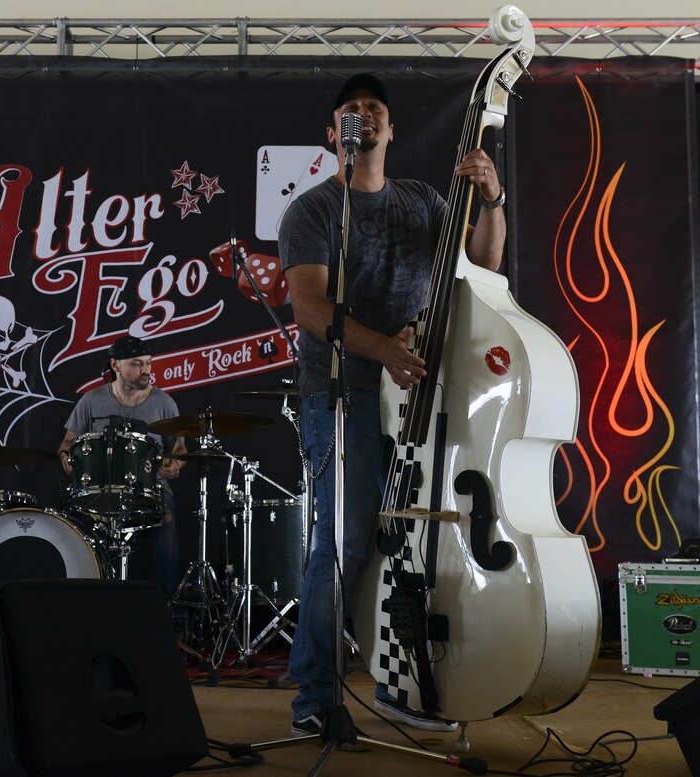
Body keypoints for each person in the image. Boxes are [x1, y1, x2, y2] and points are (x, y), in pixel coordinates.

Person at [277, 73, 506, 736]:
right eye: (350, 109)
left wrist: (492, 199)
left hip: (415, 392)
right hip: (342, 389)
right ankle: (314, 698)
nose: (364, 115)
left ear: (391, 128)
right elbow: (310, 308)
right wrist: (383, 350)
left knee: (413, 538)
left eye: (374, 107)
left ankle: (402, 680)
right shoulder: (314, 209)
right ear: (333, 134)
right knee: (346, 537)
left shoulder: (424, 201)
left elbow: (484, 266)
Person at [57, 335, 186, 599]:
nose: (145, 370)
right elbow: (67, 443)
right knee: (74, 528)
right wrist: (66, 457)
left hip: (151, 490)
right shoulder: (91, 400)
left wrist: (174, 464)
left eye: (148, 363)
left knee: (168, 527)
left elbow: (180, 448)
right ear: (115, 365)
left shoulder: (163, 402)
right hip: (98, 489)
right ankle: (87, 602)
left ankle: (170, 607)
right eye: (137, 364)